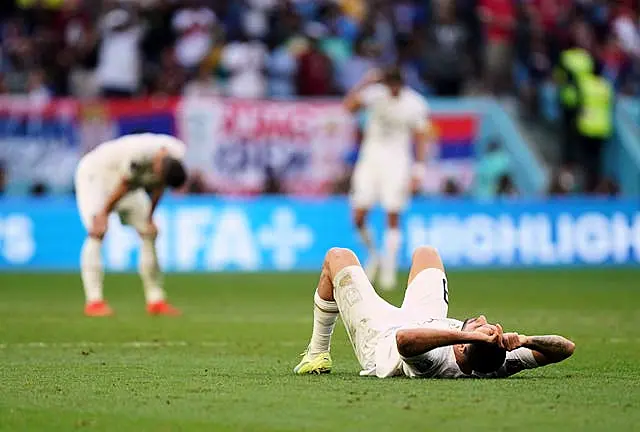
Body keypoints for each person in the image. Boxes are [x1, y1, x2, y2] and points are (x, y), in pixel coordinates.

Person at [294, 246, 575, 378]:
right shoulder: (498, 362)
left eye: (483, 328)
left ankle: (317, 353)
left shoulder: (435, 363)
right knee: (426, 254)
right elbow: (566, 348)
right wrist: (526, 341)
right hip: (429, 319)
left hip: (383, 336)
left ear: (465, 343)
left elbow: (404, 340)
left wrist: (467, 335)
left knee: (337, 257)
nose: (484, 320)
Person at [74, 133, 187, 317]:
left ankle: (156, 300)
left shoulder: (176, 153)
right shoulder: (139, 155)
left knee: (149, 231)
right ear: (157, 165)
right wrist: (103, 213)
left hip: (128, 184)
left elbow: (160, 184)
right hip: (97, 175)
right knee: (97, 230)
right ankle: (94, 302)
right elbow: (124, 185)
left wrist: (150, 217)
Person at [344, 67, 432, 291]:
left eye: (394, 85)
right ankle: (374, 255)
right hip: (370, 160)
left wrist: (418, 170)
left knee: (393, 213)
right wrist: (364, 81)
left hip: (398, 163)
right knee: (358, 216)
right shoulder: (374, 94)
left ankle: (389, 270)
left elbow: (421, 136)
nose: (390, 89)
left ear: (401, 84)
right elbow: (348, 107)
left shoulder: (415, 103)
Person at [574, 63, 614, 193]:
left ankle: (587, 186)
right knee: (597, 160)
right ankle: (596, 185)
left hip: (587, 127)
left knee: (586, 160)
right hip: (602, 128)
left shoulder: (586, 84)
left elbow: (577, 101)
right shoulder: (606, 86)